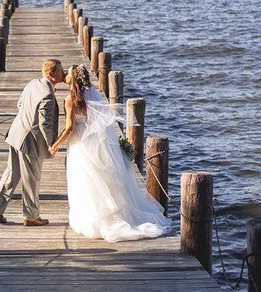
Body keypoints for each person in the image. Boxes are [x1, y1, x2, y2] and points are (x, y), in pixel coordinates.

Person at [48, 64, 172, 242]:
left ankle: (91, 219)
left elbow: (69, 128)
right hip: (94, 142)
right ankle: (109, 213)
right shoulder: (92, 94)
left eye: (67, 73)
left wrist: (55, 145)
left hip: (80, 143)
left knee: (84, 179)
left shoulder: (70, 99)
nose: (65, 74)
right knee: (99, 177)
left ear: (73, 79)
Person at [0, 58, 64, 226]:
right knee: (32, 178)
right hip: (30, 141)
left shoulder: (32, 83)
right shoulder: (48, 94)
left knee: (11, 173)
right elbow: (45, 123)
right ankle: (31, 216)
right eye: (61, 71)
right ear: (51, 74)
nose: (64, 73)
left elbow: (20, 104)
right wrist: (52, 144)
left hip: (16, 133)